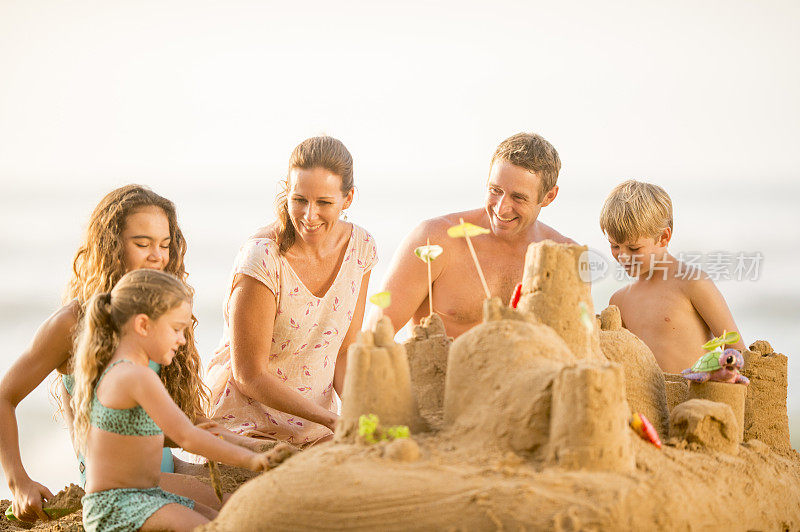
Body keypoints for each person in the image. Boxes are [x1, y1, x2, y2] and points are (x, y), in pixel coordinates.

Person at [0, 185, 220, 523]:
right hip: (122, 486)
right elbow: (5, 396)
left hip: (163, 467)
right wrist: (18, 481)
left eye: (165, 245)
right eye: (142, 244)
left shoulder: (158, 315)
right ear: (112, 247)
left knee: (259, 496)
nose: (157, 256)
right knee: (242, 512)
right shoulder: (73, 321)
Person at [72, 269, 292, 532]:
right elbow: (188, 438)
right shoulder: (136, 376)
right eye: (176, 329)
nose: (182, 340)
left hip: (146, 496)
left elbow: (138, 438)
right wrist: (252, 460)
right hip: (119, 506)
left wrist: (196, 435)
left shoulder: (130, 371)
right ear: (143, 325)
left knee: (221, 518)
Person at [207, 136, 377, 446]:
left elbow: (344, 351)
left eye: (324, 203)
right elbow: (250, 375)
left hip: (317, 430)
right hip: (247, 428)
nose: (309, 215)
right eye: (299, 199)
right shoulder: (263, 257)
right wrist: (329, 419)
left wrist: (357, 412)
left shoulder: (361, 249)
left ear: (348, 198)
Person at [377, 132, 574, 339]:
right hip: (441, 370)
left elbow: (576, 346)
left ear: (549, 196)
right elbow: (377, 333)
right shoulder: (435, 239)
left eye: (518, 197)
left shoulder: (564, 256)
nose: (502, 208)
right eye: (495, 190)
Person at [599, 179, 746, 373]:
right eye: (614, 246)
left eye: (634, 248)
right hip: (644, 401)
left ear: (664, 237)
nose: (623, 256)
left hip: (692, 397)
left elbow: (736, 349)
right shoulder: (619, 300)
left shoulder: (693, 283)